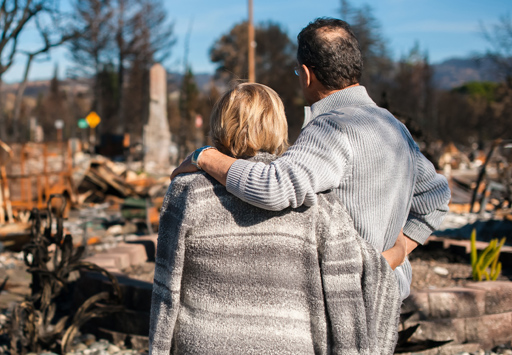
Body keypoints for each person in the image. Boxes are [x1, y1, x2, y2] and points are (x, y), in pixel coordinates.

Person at [171, 18, 451, 300]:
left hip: (348, 301)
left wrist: (203, 156)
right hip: (389, 294)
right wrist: (400, 249)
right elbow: (436, 197)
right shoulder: (392, 126)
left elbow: (273, 187)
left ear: (306, 74)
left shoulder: (332, 126)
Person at [150, 82, 400, 355]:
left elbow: (166, 289)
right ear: (278, 125)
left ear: (218, 125)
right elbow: (345, 292)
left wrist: (159, 349)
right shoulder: (316, 202)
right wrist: (401, 249)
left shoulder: (186, 192)